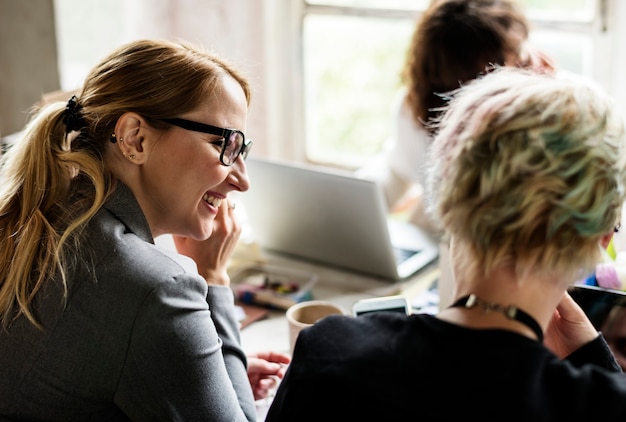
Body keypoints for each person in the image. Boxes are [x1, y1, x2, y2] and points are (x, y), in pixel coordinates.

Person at [265, 67, 626, 421]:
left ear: (448, 199)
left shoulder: (329, 351)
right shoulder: (598, 404)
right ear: (601, 239)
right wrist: (594, 357)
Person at [0, 39, 290, 420]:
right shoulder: (156, 290)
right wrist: (214, 278)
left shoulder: (43, 216)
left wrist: (197, 374)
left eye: (243, 150)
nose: (241, 180)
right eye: (225, 145)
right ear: (135, 138)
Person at [356, 0, 554, 238]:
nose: (532, 64)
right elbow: (398, 168)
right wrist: (352, 201)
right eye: (518, 62)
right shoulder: (415, 108)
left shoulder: (553, 114)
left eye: (524, 53)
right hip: (440, 243)